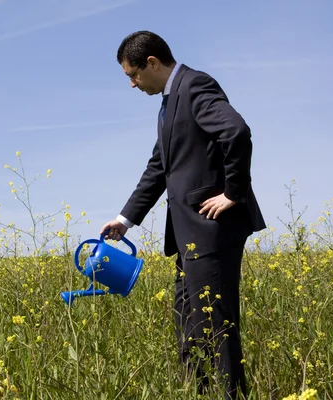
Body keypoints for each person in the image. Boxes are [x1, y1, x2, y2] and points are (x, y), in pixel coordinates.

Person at [100, 30, 267, 399]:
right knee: (189, 320)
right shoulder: (169, 102)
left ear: (152, 63)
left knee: (216, 320)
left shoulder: (195, 86)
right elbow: (160, 167)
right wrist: (124, 219)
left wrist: (232, 194)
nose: (131, 84)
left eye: (133, 75)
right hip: (190, 235)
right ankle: (199, 391)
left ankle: (230, 394)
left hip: (213, 229)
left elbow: (236, 132)